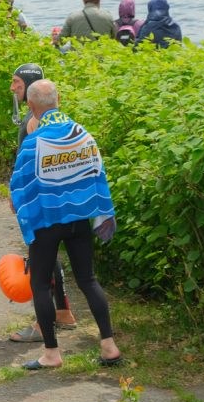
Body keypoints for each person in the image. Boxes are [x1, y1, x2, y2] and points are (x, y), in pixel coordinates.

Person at [10, 79, 122, 370]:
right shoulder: (82, 135)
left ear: (31, 106)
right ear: (58, 99)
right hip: (79, 218)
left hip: (47, 221)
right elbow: (96, 175)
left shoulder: (33, 142)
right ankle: (109, 346)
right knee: (88, 280)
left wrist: (24, 208)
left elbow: (18, 190)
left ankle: (52, 354)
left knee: (39, 284)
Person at [8, 64, 77, 344]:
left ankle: (42, 324)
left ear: (28, 84)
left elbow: (37, 160)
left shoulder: (34, 120)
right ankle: (63, 313)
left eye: (16, 82)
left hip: (38, 197)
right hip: (52, 196)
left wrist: (18, 194)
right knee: (51, 255)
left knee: (41, 259)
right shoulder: (41, 116)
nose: (12, 87)